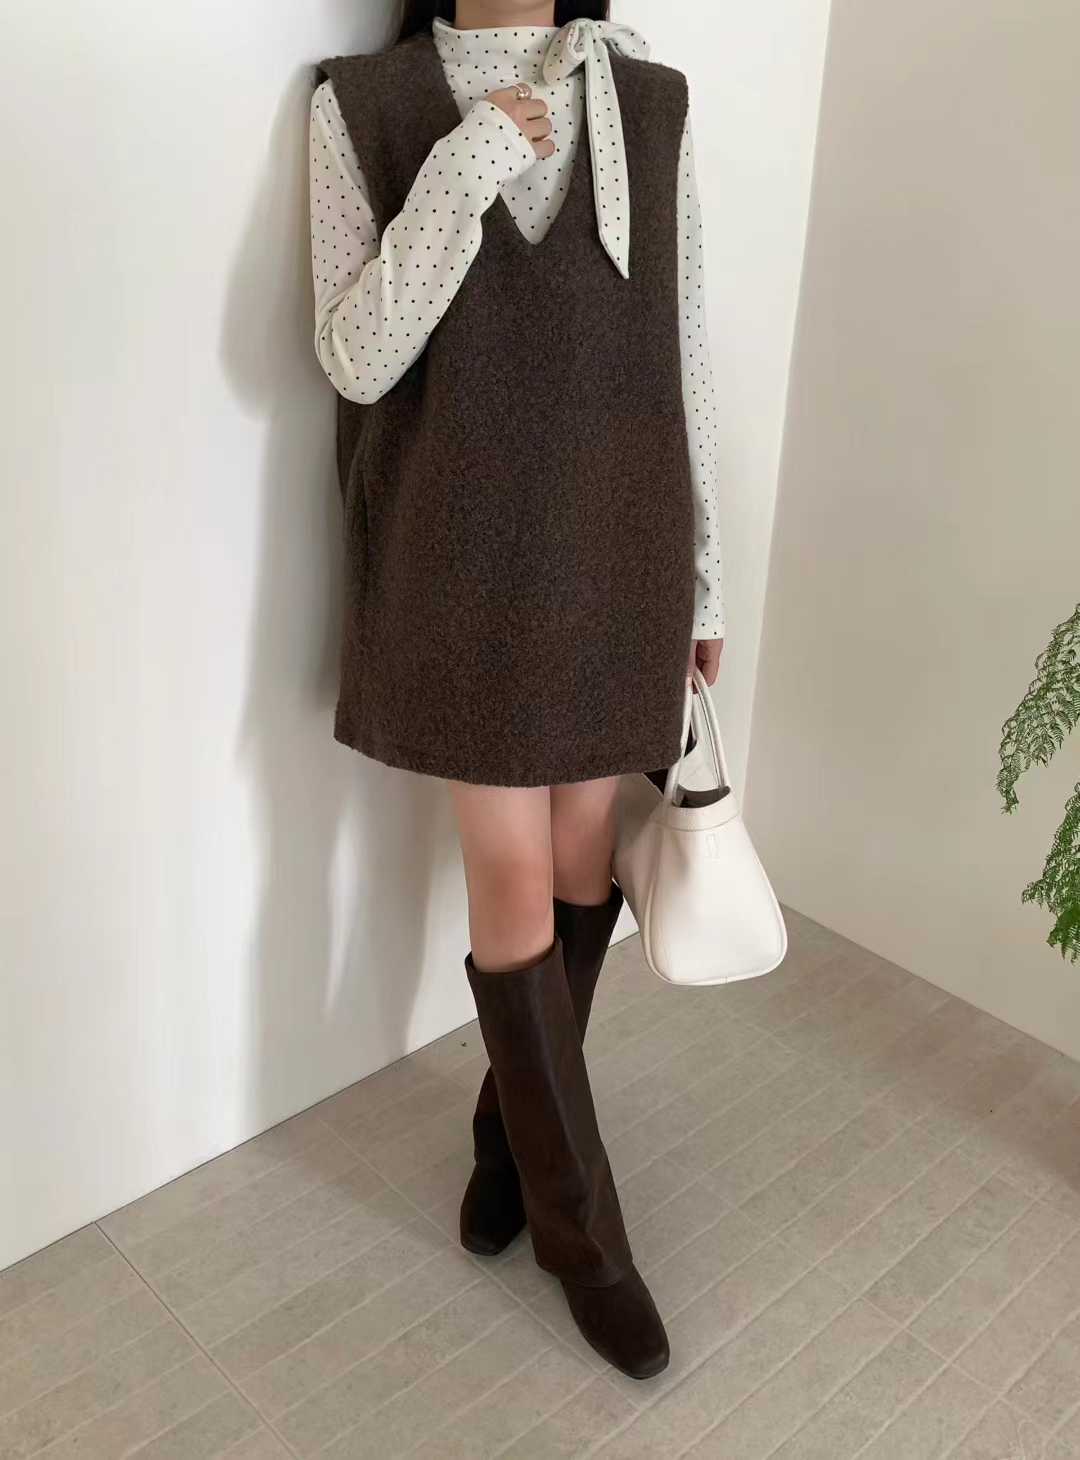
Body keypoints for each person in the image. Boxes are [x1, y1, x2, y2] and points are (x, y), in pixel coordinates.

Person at [308, 0, 726, 1380]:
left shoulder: (650, 101)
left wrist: (706, 585)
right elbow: (355, 355)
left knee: (581, 853)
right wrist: (470, 157)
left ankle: (510, 1146)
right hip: (461, 569)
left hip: (619, 547)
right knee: (510, 874)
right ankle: (583, 1240)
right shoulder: (363, 104)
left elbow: (686, 351)